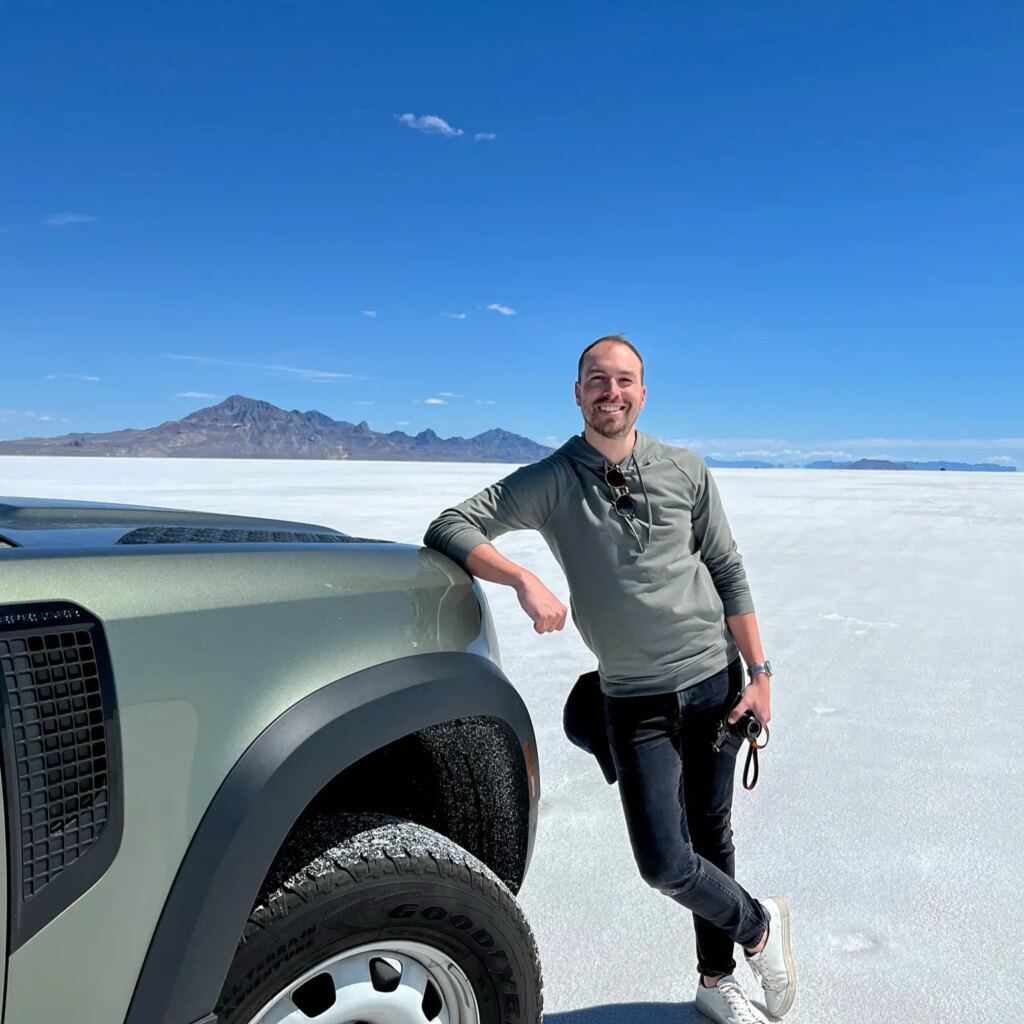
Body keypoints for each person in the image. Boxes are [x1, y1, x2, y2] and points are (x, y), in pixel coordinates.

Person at [423, 334, 797, 1023]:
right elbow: (450, 524)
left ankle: (715, 982)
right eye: (598, 380)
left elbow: (728, 570)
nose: (611, 392)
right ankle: (757, 925)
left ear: (643, 393)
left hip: (716, 680)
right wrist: (521, 579)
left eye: (624, 380)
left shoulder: (685, 468)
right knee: (664, 861)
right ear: (578, 392)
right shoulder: (552, 481)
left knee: (711, 837)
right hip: (633, 697)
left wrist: (761, 673)